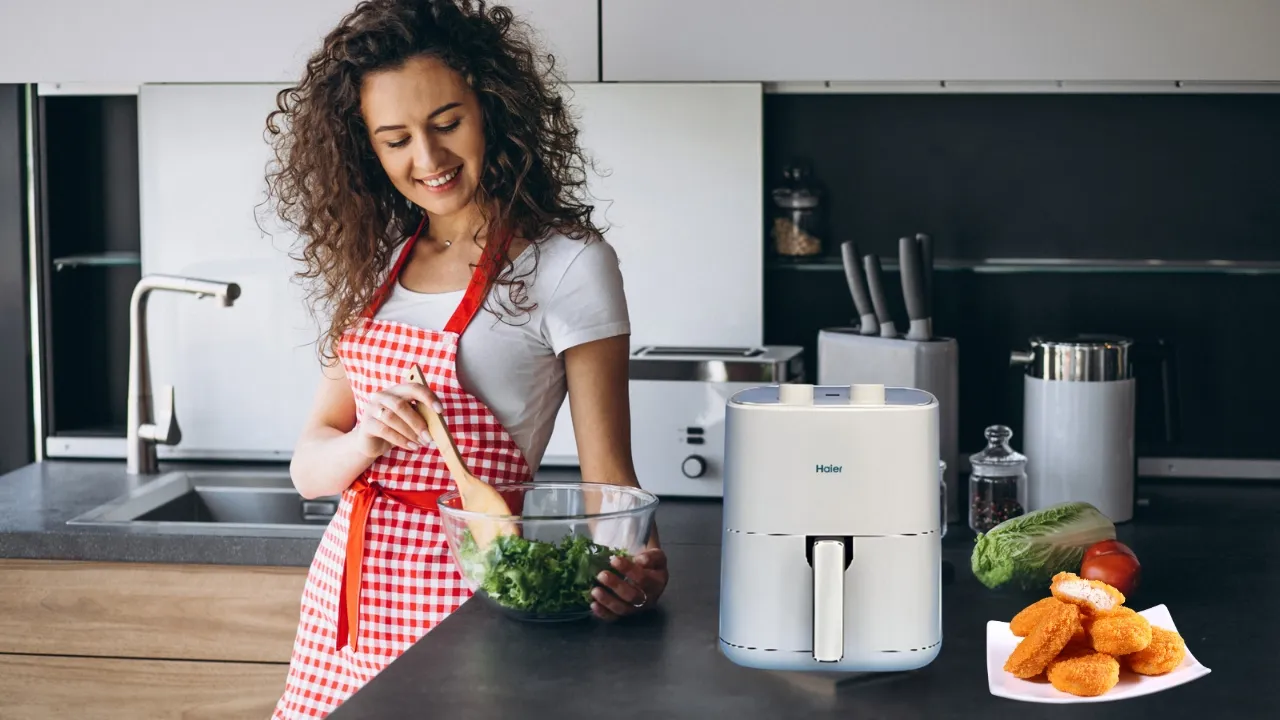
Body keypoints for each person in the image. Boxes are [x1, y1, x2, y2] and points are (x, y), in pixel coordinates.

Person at [262, 1, 667, 716]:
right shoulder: (376, 264)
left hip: (476, 594)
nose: (428, 159)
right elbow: (309, 468)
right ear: (367, 149)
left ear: (490, 102)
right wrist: (365, 440)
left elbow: (612, 488)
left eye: (446, 123)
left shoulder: (568, 265)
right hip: (346, 603)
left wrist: (634, 568)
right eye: (395, 139)